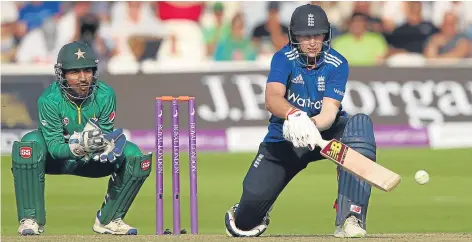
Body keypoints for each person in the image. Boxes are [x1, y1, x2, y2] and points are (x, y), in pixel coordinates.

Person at [224, 4, 376, 238]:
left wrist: (310, 125)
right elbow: (272, 99)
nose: (313, 42)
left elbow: (328, 113)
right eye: (305, 36)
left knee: (359, 126)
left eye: (317, 35)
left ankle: (350, 217)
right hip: (283, 141)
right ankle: (253, 211)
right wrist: (294, 115)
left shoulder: (337, 63)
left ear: (326, 34)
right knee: (244, 223)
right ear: (294, 36)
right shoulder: (284, 58)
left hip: (324, 136)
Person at [12, 41, 152, 236]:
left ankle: (110, 219)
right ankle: (31, 219)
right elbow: (53, 147)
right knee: (30, 143)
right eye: (74, 72)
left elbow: (103, 133)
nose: (83, 78)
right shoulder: (49, 99)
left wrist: (104, 144)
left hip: (91, 162)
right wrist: (78, 147)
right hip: (57, 160)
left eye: (88, 71)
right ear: (62, 74)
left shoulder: (105, 95)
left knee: (134, 155)